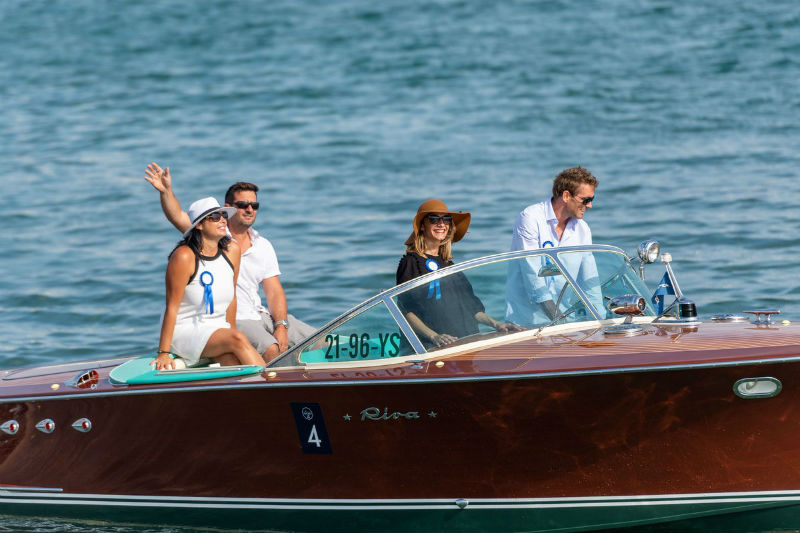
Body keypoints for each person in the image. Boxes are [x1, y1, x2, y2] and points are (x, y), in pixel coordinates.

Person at [145, 163, 315, 363]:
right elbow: (177, 215)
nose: (249, 209)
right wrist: (166, 192)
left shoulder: (254, 247)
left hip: (252, 317)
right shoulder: (202, 245)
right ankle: (273, 381)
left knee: (321, 340)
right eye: (243, 205)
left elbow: (273, 292)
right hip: (215, 325)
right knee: (266, 347)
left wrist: (281, 325)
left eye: (254, 206)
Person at [155, 197, 264, 370]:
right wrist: (163, 352)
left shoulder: (232, 251)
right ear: (199, 225)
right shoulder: (184, 256)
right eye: (214, 217)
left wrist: (229, 332)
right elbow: (172, 307)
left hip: (218, 329)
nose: (222, 220)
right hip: (185, 330)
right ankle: (269, 380)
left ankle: (261, 386)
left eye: (223, 215)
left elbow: (232, 298)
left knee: (232, 360)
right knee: (237, 339)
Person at [396, 199, 521, 348]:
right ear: (422, 226)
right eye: (434, 219)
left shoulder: (449, 265)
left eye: (446, 219)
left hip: (463, 342)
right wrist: (434, 336)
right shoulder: (410, 262)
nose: (441, 224)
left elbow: (471, 308)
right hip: (432, 348)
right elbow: (406, 311)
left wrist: (497, 324)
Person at [505, 166, 603, 326]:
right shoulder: (530, 218)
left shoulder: (583, 229)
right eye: (585, 200)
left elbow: (590, 282)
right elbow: (533, 276)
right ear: (566, 196)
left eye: (592, 199)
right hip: (526, 324)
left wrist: (601, 321)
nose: (590, 205)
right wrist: (558, 320)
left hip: (566, 322)